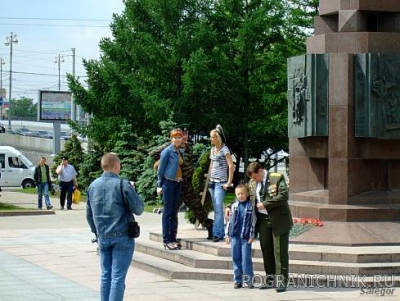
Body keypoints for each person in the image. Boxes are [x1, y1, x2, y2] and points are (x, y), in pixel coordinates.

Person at [86, 152, 144, 301]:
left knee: (106, 275)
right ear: (117, 166)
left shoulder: (93, 185)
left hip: (103, 237)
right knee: (118, 278)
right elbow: (139, 209)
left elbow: (89, 214)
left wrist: (96, 231)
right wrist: (133, 190)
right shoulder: (123, 184)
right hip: (122, 236)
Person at [246, 162, 292, 292]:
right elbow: (245, 196)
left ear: (261, 171)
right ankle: (270, 279)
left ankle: (282, 281)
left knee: (279, 251)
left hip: (279, 220)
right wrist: (229, 207)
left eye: (255, 176)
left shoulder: (277, 178)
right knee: (266, 250)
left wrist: (266, 204)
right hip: (263, 221)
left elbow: (283, 196)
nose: (253, 180)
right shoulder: (252, 183)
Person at [179, 128, 213, 239]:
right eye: (182, 134)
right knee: (171, 210)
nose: (184, 137)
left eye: (186, 134)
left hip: (187, 183)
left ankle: (209, 225)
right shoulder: (172, 147)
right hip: (175, 183)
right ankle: (170, 235)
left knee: (196, 206)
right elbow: (154, 154)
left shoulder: (188, 147)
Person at [156, 128, 184, 250]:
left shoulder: (179, 151)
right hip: (168, 183)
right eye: (175, 137)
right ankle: (167, 240)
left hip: (178, 183)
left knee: (174, 211)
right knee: (167, 212)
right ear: (171, 139)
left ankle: (173, 238)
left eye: (179, 137)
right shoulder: (167, 151)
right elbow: (160, 169)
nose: (177, 139)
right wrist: (159, 184)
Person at [225, 184, 256, 289]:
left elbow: (253, 222)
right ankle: (238, 280)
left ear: (247, 194)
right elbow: (230, 221)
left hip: (246, 237)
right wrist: (227, 234)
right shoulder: (234, 206)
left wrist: (252, 235)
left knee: (246, 258)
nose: (240, 196)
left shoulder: (250, 206)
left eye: (242, 193)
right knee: (236, 257)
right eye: (238, 194)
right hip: (235, 236)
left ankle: (249, 280)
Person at [208, 124, 234, 242]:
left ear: (217, 137)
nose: (211, 139)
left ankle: (217, 233)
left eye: (212, 137)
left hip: (220, 182)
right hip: (212, 181)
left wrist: (229, 182)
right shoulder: (212, 150)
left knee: (218, 208)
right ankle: (219, 231)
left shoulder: (224, 149)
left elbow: (230, 165)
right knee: (216, 208)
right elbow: (212, 164)